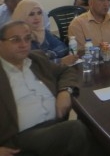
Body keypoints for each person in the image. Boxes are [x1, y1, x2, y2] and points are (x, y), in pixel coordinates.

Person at [0, 21, 101, 156]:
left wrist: (65, 91)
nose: (23, 44)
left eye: (27, 38)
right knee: (76, 130)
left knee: (96, 126)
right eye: (15, 40)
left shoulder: (36, 59)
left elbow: (65, 71)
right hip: (20, 137)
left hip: (55, 125)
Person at [12, 0, 78, 65]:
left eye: (39, 13)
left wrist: (50, 54)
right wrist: (59, 61)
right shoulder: (18, 38)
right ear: (22, 16)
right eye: (31, 14)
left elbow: (63, 47)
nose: (37, 17)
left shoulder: (42, 31)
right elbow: (33, 65)